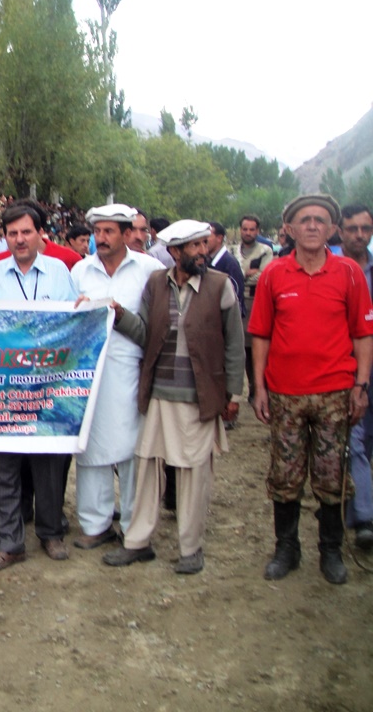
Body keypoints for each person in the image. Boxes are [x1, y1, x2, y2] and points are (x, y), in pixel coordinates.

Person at [103, 219, 244, 575]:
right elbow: (145, 334)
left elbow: (234, 343)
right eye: (195, 246)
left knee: (194, 474)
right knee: (148, 470)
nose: (202, 251)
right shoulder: (156, 283)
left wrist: (233, 395)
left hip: (199, 397)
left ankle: (191, 548)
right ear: (175, 252)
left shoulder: (220, 285)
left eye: (204, 244)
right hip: (159, 395)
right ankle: (137, 543)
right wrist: (118, 315)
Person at [250, 194, 373, 584]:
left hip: (336, 394)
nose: (313, 226)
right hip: (285, 394)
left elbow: (363, 333)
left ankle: (330, 551)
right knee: (285, 476)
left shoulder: (349, 273)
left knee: (331, 475)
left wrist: (361, 385)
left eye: (321, 220)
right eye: (305, 220)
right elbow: (261, 334)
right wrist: (259, 387)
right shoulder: (274, 274)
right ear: (289, 228)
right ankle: (286, 548)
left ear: (332, 228)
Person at [0, 202, 77, 571]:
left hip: (48, 387)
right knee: (2, 466)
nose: (19, 239)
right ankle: (9, 543)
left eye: (26, 232)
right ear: (4, 237)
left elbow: (73, 325)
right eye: (12, 233)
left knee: (48, 464)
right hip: (3, 387)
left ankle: (51, 533)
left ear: (40, 234)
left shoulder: (59, 272)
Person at [70, 204, 165, 550]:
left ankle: (134, 526)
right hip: (88, 372)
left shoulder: (149, 270)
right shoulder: (80, 271)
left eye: (108, 231)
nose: (101, 238)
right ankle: (95, 524)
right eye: (97, 232)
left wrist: (118, 313)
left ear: (127, 234)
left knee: (132, 451)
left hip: (131, 369)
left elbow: (157, 328)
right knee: (90, 446)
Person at [338, 204, 373, 550]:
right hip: (348, 370)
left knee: (366, 444)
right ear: (341, 231)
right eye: (353, 228)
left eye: (366, 228)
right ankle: (364, 518)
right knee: (355, 441)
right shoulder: (332, 270)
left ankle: (355, 503)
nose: (360, 235)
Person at [234, 214, 274, 402]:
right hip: (236, 302)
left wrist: (240, 275)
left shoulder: (265, 250)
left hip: (256, 300)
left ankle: (258, 389)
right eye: (245, 229)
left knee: (256, 348)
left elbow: (265, 275)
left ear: (257, 231)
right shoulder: (233, 251)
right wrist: (245, 273)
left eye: (252, 229)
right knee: (240, 348)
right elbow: (230, 274)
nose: (248, 233)